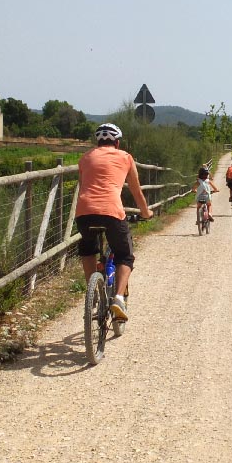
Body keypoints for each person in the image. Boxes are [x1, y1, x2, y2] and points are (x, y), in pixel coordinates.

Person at [75, 122, 153, 321]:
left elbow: (83, 186)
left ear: (97, 142)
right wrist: (146, 213)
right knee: (125, 256)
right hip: (111, 211)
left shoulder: (84, 159)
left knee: (88, 248)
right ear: (117, 143)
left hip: (84, 212)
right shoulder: (125, 157)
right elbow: (135, 190)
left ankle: (91, 292)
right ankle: (118, 298)